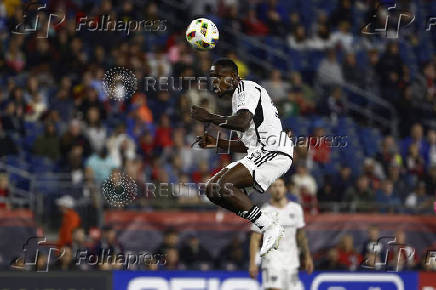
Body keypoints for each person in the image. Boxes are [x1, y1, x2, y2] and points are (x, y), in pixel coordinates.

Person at [191, 58, 295, 256]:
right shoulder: (237, 100)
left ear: (234, 78)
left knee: (224, 185)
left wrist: (211, 117)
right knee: (213, 189)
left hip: (274, 150)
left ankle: (268, 225)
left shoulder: (246, 88)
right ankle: (264, 221)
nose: (215, 82)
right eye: (213, 78)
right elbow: (248, 144)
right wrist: (217, 143)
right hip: (262, 150)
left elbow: (241, 122)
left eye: (219, 77)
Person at [248, 179, 313, 290]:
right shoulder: (263, 212)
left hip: (292, 261)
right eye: (274, 186)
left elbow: (301, 235)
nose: (277, 189)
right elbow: (255, 239)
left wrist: (307, 257)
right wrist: (252, 263)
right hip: (272, 260)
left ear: (285, 188)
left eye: (280, 186)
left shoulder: (296, 209)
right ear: (269, 190)